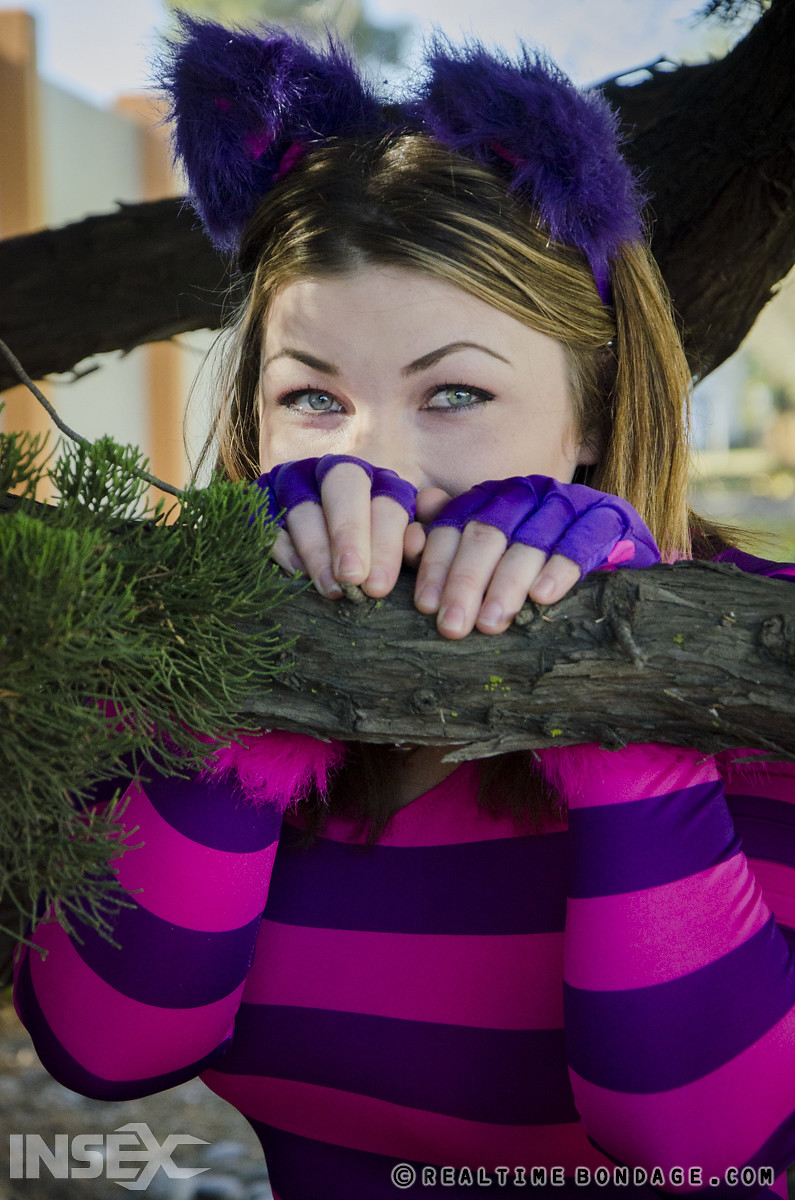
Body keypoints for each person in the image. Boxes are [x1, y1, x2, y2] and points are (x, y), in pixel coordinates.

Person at [13, 14, 795, 1199]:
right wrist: (250, 687)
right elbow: (108, 1052)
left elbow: (711, 1145)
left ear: (592, 409)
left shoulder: (763, 659)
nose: (376, 465)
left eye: (456, 393)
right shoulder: (171, 654)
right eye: (314, 399)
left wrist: (624, 693)